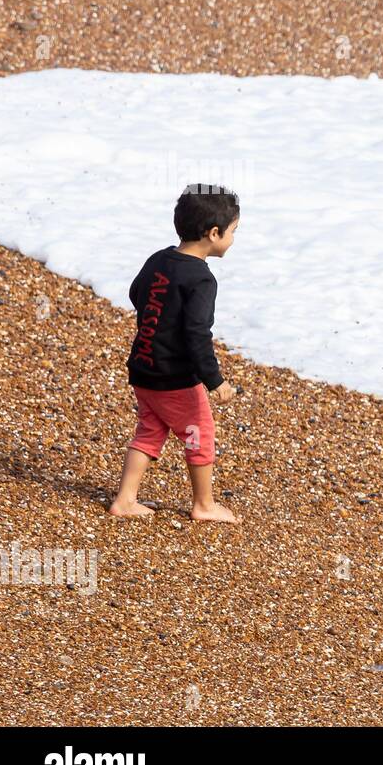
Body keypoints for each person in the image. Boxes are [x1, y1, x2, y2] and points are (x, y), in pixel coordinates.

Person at [108, 184, 241, 523]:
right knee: (200, 432)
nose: (233, 238)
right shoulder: (201, 280)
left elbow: (137, 293)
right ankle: (204, 504)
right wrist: (215, 380)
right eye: (233, 232)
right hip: (175, 379)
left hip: (143, 368)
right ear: (213, 233)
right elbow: (197, 334)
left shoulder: (159, 258)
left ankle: (125, 499)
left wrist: (158, 320)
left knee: (150, 430)